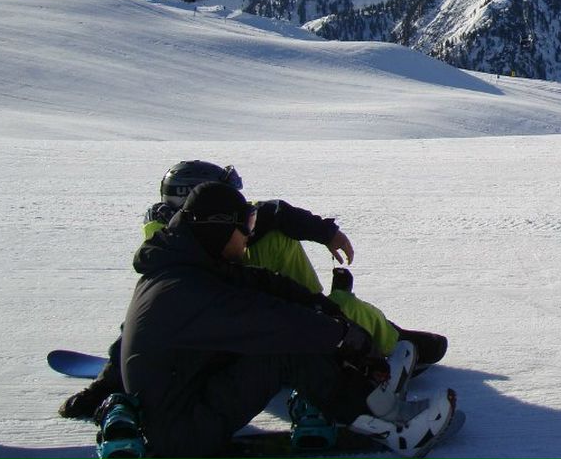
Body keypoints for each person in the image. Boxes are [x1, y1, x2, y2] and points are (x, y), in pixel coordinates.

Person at [60, 160, 447, 419]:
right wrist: (110, 382)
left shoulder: (194, 237)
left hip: (248, 330)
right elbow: (143, 320)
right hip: (228, 353)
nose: (245, 216)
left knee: (288, 258)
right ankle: (381, 346)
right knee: (315, 309)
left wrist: (325, 232)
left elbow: (273, 212)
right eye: (235, 210)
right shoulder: (185, 261)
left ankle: (380, 336)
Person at [116, 180, 456, 458]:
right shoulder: (187, 290)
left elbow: (260, 284)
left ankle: (380, 404)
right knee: (285, 348)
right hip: (182, 431)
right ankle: (393, 428)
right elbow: (267, 321)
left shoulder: (186, 266)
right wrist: (340, 336)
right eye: (244, 226)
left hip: (187, 397)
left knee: (300, 328)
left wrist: (322, 308)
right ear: (218, 229)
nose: (250, 235)